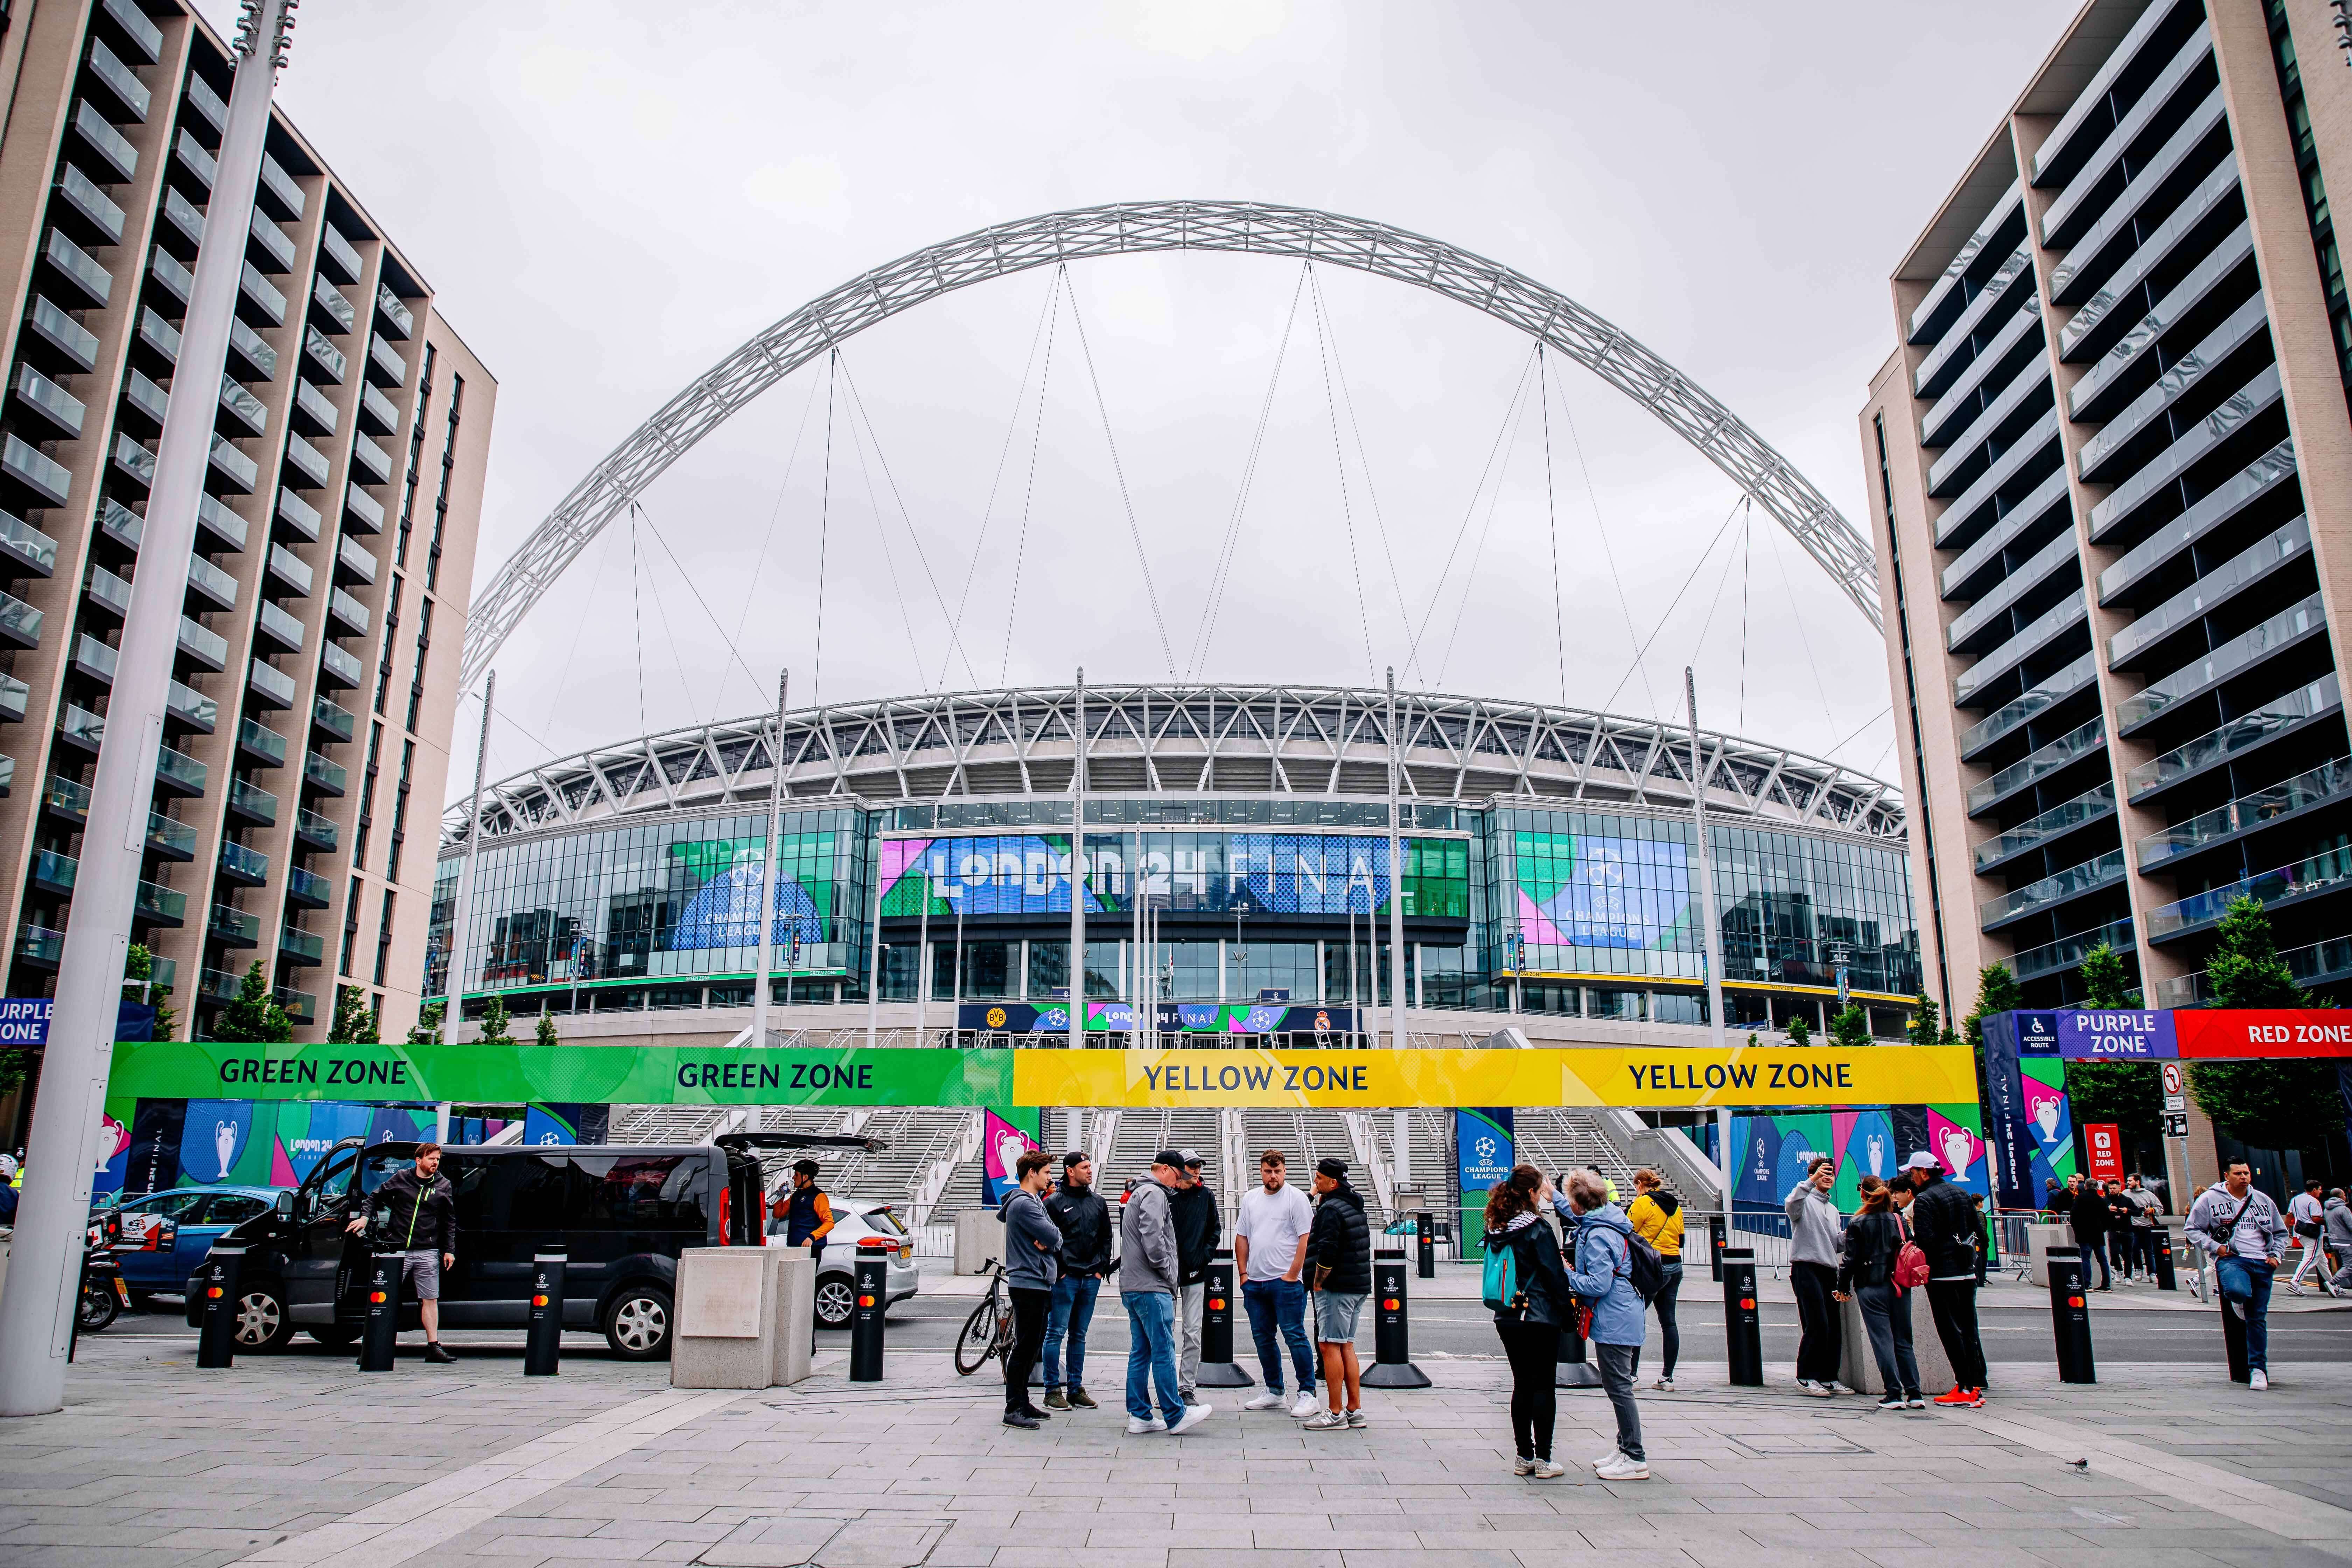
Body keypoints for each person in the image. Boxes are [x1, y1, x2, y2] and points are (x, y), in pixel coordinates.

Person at [1555, 1169, 1649, 1480]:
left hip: (1615, 1317)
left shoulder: (1597, 1235)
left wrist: (1567, 1274)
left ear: (1579, 1204)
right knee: (1618, 1385)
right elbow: (1576, 1212)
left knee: (1619, 1387)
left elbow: (1598, 1284)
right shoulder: (1607, 1218)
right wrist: (1552, 1195)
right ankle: (1625, 1448)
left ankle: (1634, 1456)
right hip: (1622, 1311)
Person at [1483, 1165, 1573, 1477]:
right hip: (1539, 1313)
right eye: (1539, 1190)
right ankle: (1545, 1459)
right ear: (1532, 1193)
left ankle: (1524, 1456)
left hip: (1507, 1313)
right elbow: (1553, 1276)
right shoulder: (1537, 1228)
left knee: (1522, 1383)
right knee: (1544, 1385)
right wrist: (1567, 1314)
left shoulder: (1497, 1227)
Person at [345, 1141, 457, 1363]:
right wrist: (365, 1218)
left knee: (430, 1299)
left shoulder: (443, 1184)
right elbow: (374, 1197)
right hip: (397, 1249)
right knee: (385, 1297)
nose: (435, 1163)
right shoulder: (402, 1178)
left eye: (438, 1159)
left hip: (427, 1250)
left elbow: (449, 1219)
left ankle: (434, 1347)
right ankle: (372, 1346)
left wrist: (449, 1250)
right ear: (419, 1160)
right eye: (431, 1159)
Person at [1120, 1150, 1208, 1434]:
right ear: (1166, 1170)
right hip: (1151, 1285)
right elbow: (1153, 1237)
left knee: (1141, 1351)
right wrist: (1168, 1270)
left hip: (1134, 1284)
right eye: (1178, 1175)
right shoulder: (1155, 1193)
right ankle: (1175, 1413)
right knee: (1163, 1350)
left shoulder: (1139, 1191)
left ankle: (1140, 1415)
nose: (1178, 1182)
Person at [2186, 1159, 2290, 1390]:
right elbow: (2192, 1229)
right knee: (2237, 1290)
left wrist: (2276, 1256)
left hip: (2262, 1262)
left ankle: (2258, 1370)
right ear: (2227, 1176)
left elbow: (2280, 1232)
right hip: (2232, 1258)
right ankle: (2240, 1300)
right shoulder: (2210, 1199)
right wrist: (2217, 1247)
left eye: (2246, 1173)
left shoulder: (2263, 1200)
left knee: (2257, 1319)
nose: (2244, 1177)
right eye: (2238, 1173)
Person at [1235, 1150, 1319, 1418]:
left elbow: (1306, 1238)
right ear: (1261, 1171)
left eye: (1278, 1171)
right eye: (1269, 1171)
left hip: (1285, 1282)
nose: (1273, 1176)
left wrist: (1293, 1274)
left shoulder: (1296, 1198)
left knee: (1294, 1335)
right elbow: (1242, 1236)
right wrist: (1243, 1274)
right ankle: (1274, 1390)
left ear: (1285, 1171)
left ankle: (1308, 1393)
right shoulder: (1251, 1199)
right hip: (1256, 1282)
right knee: (1263, 1338)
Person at [1904, 1149, 1987, 1406]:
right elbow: (1981, 1234)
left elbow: (1926, 1240)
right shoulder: (1961, 1193)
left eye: (1913, 1172)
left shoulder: (1925, 1199)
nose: (1911, 1177)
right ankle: (1975, 1386)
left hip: (1942, 1275)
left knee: (1949, 1330)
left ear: (1924, 1172)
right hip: (1967, 1271)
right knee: (1969, 1329)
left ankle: (1964, 1388)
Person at [1834, 1178, 1923, 1410]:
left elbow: (1850, 1260)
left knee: (1882, 1340)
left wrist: (1843, 1287)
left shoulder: (1858, 1222)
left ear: (1863, 1196)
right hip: (1899, 1286)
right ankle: (1915, 1393)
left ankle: (1894, 1394)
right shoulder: (1898, 1220)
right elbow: (1910, 1247)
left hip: (1871, 1286)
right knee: (1904, 1341)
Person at [1299, 1156, 1371, 1432]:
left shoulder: (1331, 1210)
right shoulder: (1353, 1205)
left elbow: (1327, 1251)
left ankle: (1335, 1412)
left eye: (1319, 1178)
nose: (1315, 1182)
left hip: (1337, 1287)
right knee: (1346, 1346)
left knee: (1329, 1345)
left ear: (1333, 1183)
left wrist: (1318, 1281)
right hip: (1356, 1285)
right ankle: (1355, 1409)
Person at [997, 1149, 1062, 1429]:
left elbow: (1054, 1237)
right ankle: (1013, 1407)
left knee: (1032, 1346)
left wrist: (1052, 1239)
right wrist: (1051, 1239)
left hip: (1037, 1281)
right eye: (1046, 1172)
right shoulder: (1025, 1205)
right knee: (1025, 1347)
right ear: (1032, 1173)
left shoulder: (1034, 1201)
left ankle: (1022, 1402)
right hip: (1029, 1282)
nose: (1050, 1178)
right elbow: (1054, 1236)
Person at [1042, 1150, 1111, 1410]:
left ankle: (1075, 1388)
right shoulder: (1054, 1203)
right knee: (1056, 1333)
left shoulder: (1098, 1202)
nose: (1090, 1171)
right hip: (1066, 1279)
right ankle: (1052, 1390)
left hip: (1090, 1277)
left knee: (1079, 1335)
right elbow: (1046, 1239)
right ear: (1070, 1171)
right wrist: (1060, 1270)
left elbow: (1106, 1237)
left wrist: (1100, 1269)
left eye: (1090, 1166)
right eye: (1084, 1167)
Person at [1784, 1154, 1844, 1395]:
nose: (1828, 1177)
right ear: (1812, 1175)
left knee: (1834, 1327)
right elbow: (1791, 1203)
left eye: (1831, 1174)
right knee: (1817, 1323)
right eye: (1823, 1173)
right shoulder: (1804, 1200)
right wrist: (1810, 1183)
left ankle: (1829, 1377)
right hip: (1806, 1268)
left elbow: (1836, 1244)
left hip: (1829, 1270)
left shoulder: (1833, 1210)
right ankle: (1806, 1376)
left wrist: (1854, 1232)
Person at [1169, 1149, 1222, 1404]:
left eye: (1199, 1166)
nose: (1198, 1170)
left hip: (1195, 1272)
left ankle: (1186, 1387)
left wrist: (1204, 1257)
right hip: (1167, 1274)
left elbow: (1215, 1229)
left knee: (1192, 1333)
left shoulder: (1206, 1195)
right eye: (1193, 1166)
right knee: (1165, 1333)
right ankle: (1168, 1387)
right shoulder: (1167, 1194)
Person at [1623, 1168, 1684, 1392]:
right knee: (1669, 1323)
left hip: (1652, 1267)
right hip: (1675, 1265)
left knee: (1636, 1318)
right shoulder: (1675, 1205)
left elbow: (1626, 1231)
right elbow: (1681, 1240)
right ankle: (1667, 1378)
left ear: (1640, 1185)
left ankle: (1632, 1376)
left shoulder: (1641, 1203)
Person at [777, 1159, 836, 1264]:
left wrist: (812, 1237)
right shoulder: (796, 1195)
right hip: (794, 1248)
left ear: (805, 1177)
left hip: (810, 1250)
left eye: (796, 1175)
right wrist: (780, 1196)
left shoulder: (818, 1196)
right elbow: (778, 1214)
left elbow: (830, 1223)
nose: (793, 1178)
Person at [2067, 1173, 2111, 1290]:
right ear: (2097, 1187)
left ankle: (2088, 1284)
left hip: (2084, 1233)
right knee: (2103, 1260)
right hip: (2098, 1234)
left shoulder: (2080, 1198)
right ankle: (2107, 1285)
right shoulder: (2101, 1200)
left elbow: (2074, 1216)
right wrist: (2103, 1229)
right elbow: (2107, 1217)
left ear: (2086, 1186)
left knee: (2086, 1258)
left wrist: (2076, 1229)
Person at [2286, 1179, 2328, 1295]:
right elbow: (2316, 1219)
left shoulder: (2296, 1199)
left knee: (2322, 1261)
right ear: (2314, 1190)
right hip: (2313, 1234)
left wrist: (2286, 1229)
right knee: (2310, 1259)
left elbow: (2289, 1215)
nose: (2321, 1192)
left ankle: (2333, 1285)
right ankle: (2295, 1282)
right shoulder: (2314, 1201)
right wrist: (2329, 1220)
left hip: (2301, 1233)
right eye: (2320, 1190)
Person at [2124, 1174, 2163, 1280]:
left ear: (2138, 1182)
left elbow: (2160, 1209)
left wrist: (2152, 1210)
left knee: (2149, 1250)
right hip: (2133, 1226)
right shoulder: (2125, 1193)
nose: (2128, 1183)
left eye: (2130, 1181)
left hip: (2147, 1226)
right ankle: (2138, 1269)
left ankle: (2152, 1273)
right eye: (2128, 1181)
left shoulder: (2149, 1195)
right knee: (2135, 1249)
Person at [2323, 1188, 2351, 1299]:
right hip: (2346, 1242)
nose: (2345, 1196)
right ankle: (2332, 1283)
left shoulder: (2327, 1210)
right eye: (2344, 1194)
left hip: (2334, 1242)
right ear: (2340, 1196)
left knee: (2347, 1265)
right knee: (2349, 1266)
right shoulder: (2343, 1209)